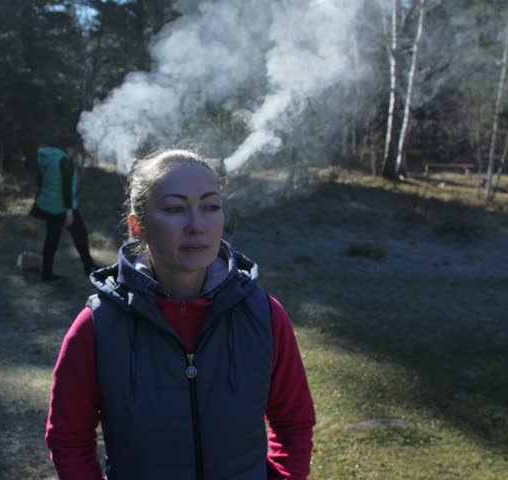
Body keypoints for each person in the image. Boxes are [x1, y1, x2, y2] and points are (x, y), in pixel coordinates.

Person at [45, 149, 316, 479]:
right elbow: (69, 438)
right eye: (175, 209)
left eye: (210, 206)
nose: (196, 225)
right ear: (138, 226)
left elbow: (294, 422)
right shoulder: (97, 326)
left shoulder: (264, 316)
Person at [33, 139, 96, 281]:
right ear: (69, 148)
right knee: (80, 234)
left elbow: (39, 181)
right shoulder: (65, 160)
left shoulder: (46, 158)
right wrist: (69, 211)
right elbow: (67, 188)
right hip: (62, 206)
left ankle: (46, 272)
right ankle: (89, 267)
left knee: (51, 239)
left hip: (48, 204)